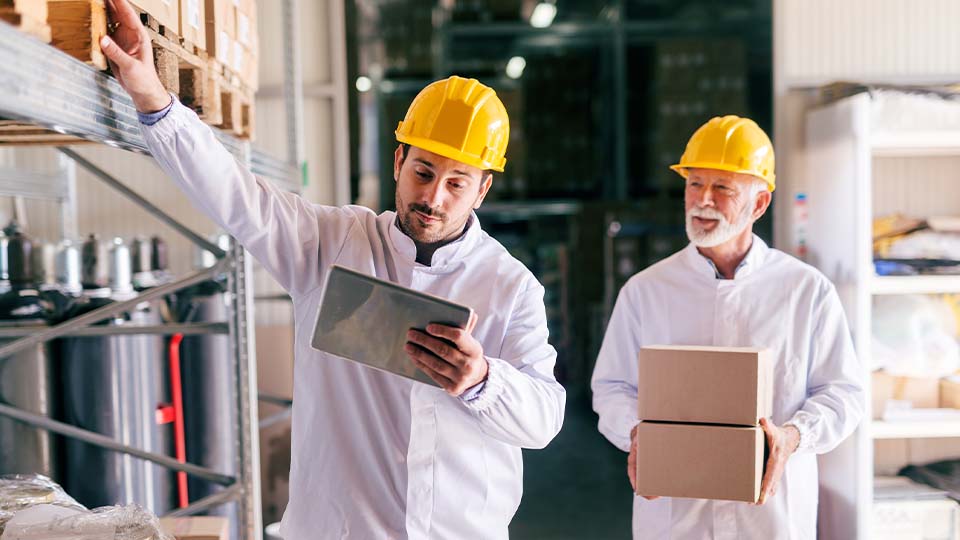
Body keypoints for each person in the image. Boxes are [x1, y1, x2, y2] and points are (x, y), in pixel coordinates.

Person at [99, 1, 565, 537]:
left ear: (482, 189)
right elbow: (233, 195)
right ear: (398, 162)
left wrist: (483, 380)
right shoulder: (330, 243)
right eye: (423, 171)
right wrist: (152, 97)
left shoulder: (509, 286)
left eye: (457, 182)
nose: (433, 196)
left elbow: (543, 420)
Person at [591, 115, 864, 539]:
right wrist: (639, 431)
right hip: (675, 518)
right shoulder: (646, 291)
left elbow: (844, 395)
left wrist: (793, 437)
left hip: (771, 520)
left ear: (759, 203)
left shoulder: (806, 290)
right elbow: (610, 387)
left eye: (722, 189)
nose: (703, 200)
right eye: (695, 184)